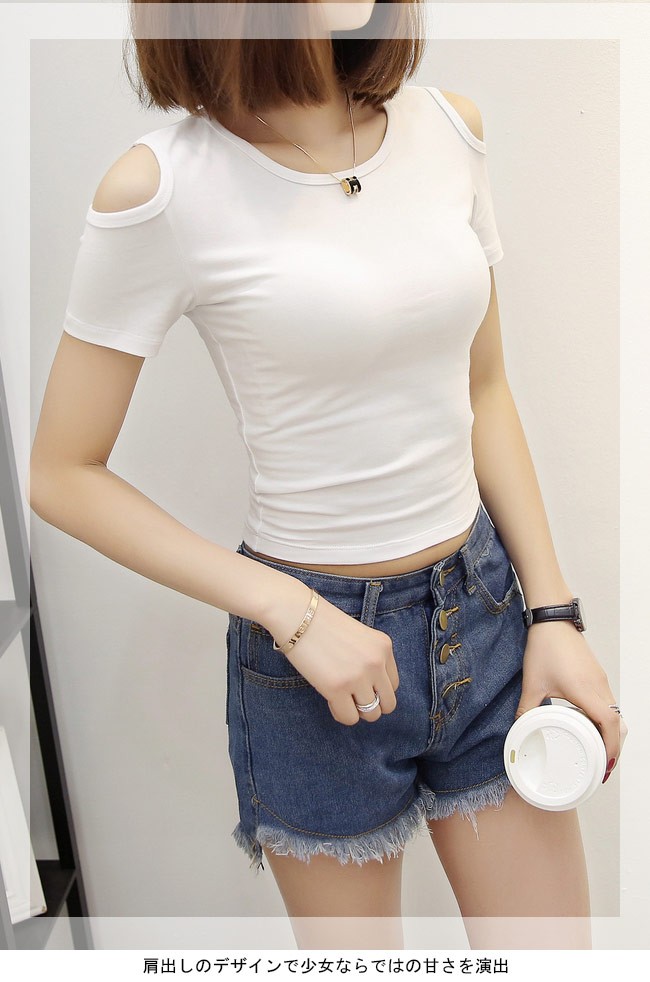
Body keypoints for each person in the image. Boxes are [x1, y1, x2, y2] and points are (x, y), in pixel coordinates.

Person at [28, 0, 626, 951]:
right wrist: (290, 612)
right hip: (311, 653)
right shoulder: (163, 186)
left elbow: (484, 388)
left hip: (483, 612)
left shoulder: (449, 130)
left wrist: (554, 614)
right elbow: (62, 473)